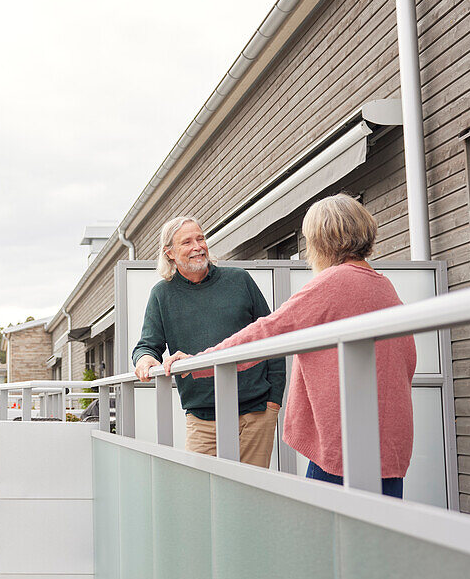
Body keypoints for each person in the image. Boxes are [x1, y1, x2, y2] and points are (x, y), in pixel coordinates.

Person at [164, 194, 416, 497]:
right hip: (389, 444)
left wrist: (198, 364)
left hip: (343, 447)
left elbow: (266, 332)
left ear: (323, 241)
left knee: (324, 538)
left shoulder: (332, 283)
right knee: (380, 538)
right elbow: (408, 360)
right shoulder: (383, 285)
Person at [132, 216, 286, 467]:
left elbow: (271, 335)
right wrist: (146, 359)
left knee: (250, 497)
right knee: (201, 499)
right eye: (187, 242)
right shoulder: (162, 294)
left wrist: (274, 401)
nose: (198, 246)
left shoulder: (239, 280)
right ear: (169, 253)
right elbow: (147, 345)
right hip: (202, 419)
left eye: (200, 238)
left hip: (255, 412)